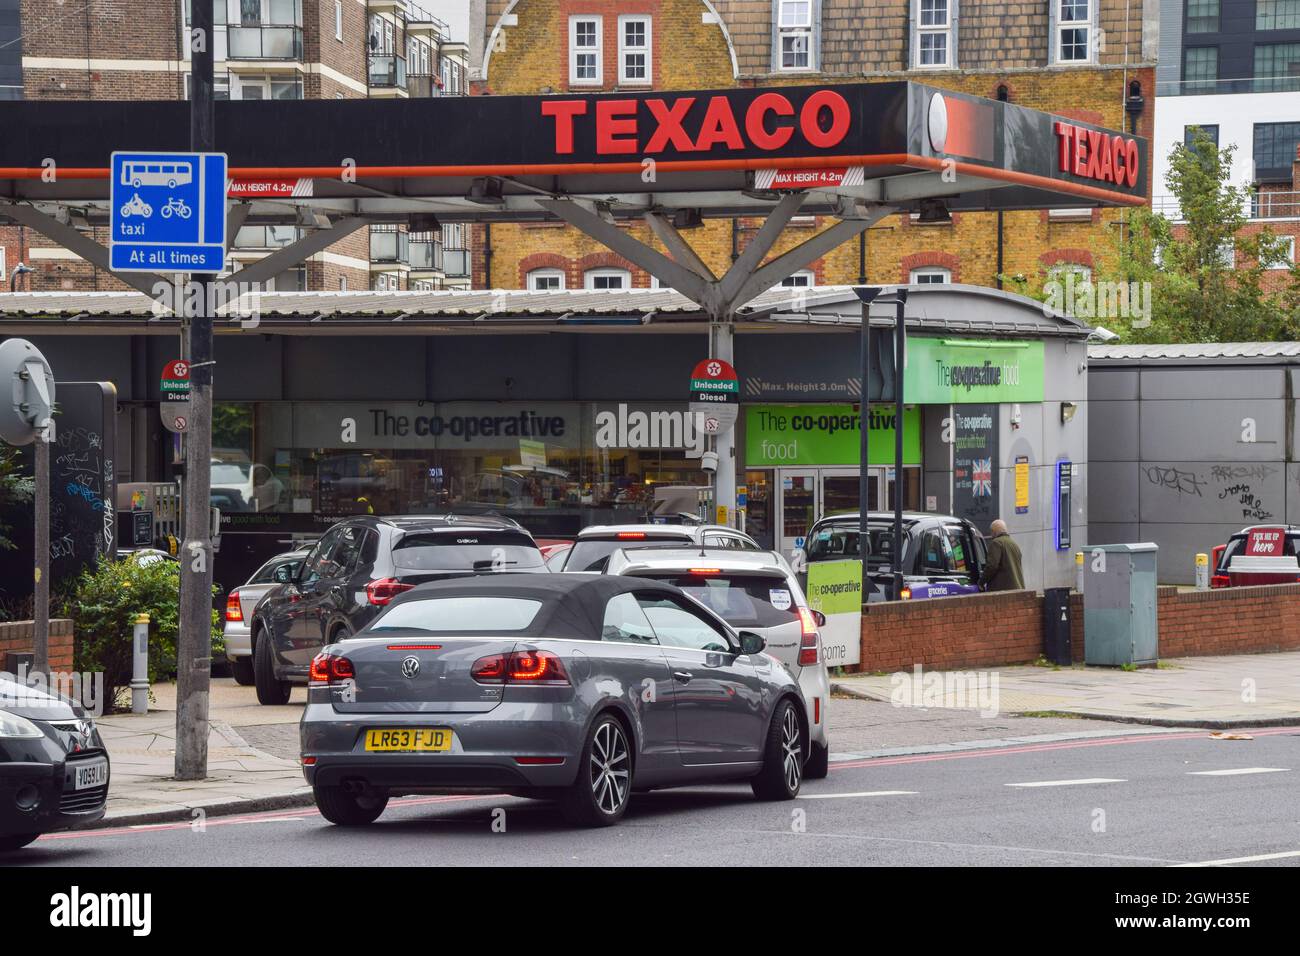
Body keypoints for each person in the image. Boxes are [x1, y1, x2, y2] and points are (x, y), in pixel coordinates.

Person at [980, 519, 1024, 591]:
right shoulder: (1014, 544)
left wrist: (981, 582)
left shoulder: (996, 543)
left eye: (991, 531)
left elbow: (992, 566)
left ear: (994, 532)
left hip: (1003, 590)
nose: (991, 535)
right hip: (1017, 588)